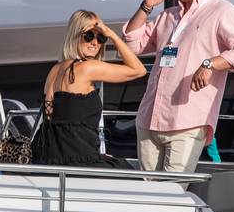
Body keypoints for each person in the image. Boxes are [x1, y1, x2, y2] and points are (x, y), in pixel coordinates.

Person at [123, 0, 234, 172]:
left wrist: (211, 63)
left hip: (186, 123)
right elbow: (131, 46)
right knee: (147, 196)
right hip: (149, 119)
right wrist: (146, 6)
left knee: (174, 196)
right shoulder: (169, 15)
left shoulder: (222, 11)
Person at [30, 11, 147, 168]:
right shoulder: (88, 68)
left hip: (46, 154)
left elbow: (54, 119)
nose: (95, 42)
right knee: (131, 176)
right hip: (78, 157)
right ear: (75, 35)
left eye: (101, 37)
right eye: (89, 35)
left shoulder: (55, 69)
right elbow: (138, 70)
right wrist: (112, 34)